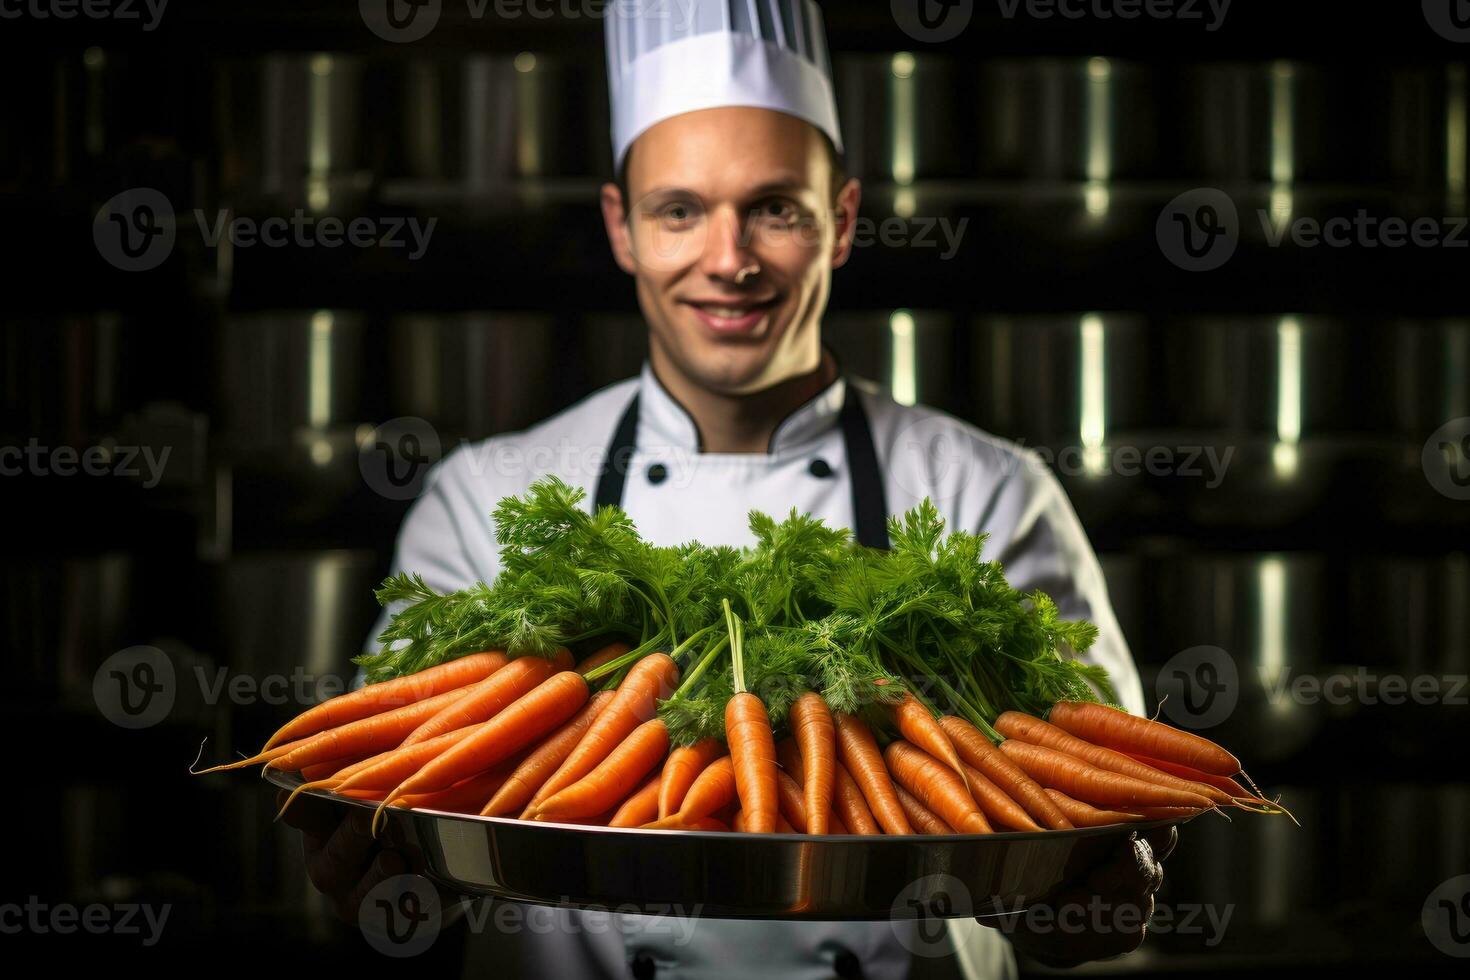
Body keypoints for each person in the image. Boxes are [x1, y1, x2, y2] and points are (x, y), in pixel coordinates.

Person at [285, 2, 1174, 976]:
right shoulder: (482, 499)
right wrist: (385, 886)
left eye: (774, 207)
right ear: (623, 228)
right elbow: (400, 843)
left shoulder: (994, 494)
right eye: (680, 209)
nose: (729, 259)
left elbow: (1089, 825)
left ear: (839, 221)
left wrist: (1079, 903)